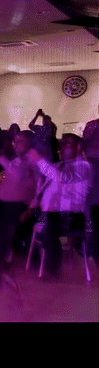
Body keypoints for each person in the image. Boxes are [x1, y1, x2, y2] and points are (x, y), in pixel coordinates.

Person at [26, 133, 92, 281]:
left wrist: (39, 160)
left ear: (79, 147)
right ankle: (34, 261)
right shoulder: (58, 166)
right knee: (22, 218)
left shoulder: (84, 166)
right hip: (53, 214)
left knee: (46, 224)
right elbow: (45, 189)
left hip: (73, 216)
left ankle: (52, 269)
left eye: (67, 144)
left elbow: (63, 177)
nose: (62, 147)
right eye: (61, 144)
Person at [0, 130, 41, 285]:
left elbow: (18, 176)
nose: (15, 144)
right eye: (15, 141)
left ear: (30, 143)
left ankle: (4, 257)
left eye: (19, 141)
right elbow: (7, 182)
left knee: (7, 222)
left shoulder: (33, 160)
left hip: (22, 206)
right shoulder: (16, 160)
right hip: (4, 203)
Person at [83, 104, 99, 264]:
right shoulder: (92, 125)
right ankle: (92, 249)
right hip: (94, 165)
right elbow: (83, 143)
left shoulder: (92, 125)